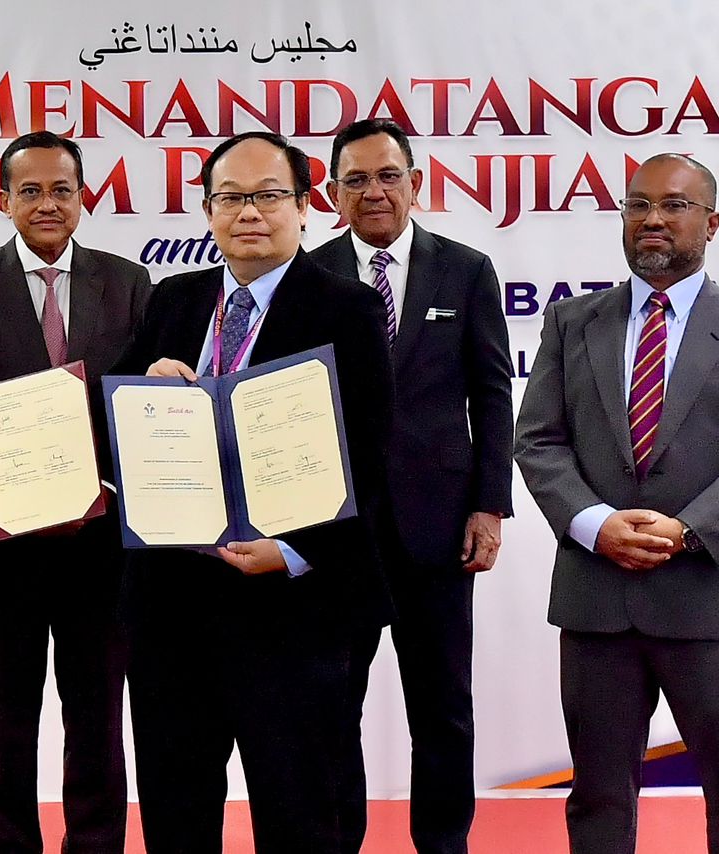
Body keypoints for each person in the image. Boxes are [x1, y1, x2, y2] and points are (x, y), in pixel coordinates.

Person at [116, 130, 393, 852]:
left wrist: (295, 551)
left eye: (268, 196)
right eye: (230, 198)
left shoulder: (348, 307)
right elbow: (110, 423)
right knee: (176, 812)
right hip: (173, 601)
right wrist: (145, 390)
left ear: (305, 207)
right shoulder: (173, 300)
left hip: (293, 607)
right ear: (208, 211)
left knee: (301, 813)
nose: (248, 213)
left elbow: (372, 455)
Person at [0, 130, 151, 854]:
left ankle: (95, 843)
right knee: (2, 716)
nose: (48, 203)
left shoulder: (129, 282)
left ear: (83, 198)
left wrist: (109, 486)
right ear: (4, 200)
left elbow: (136, 405)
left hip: (100, 539)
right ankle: (7, 843)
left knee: (98, 713)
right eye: (30, 190)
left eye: (62, 189)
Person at [309, 118, 514, 854]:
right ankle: (339, 842)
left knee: (444, 709)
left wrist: (490, 505)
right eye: (356, 179)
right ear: (332, 194)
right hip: (338, 532)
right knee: (334, 706)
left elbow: (493, 394)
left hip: (441, 526)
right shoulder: (310, 275)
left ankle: (444, 843)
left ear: (415, 183)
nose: (374, 191)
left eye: (388, 175)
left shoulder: (466, 269)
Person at [516, 152, 719, 854]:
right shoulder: (571, 321)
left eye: (674, 205)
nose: (652, 219)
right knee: (599, 798)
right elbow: (537, 440)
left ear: (711, 223)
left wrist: (687, 530)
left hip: (706, 598)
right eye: (638, 205)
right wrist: (595, 524)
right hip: (597, 602)